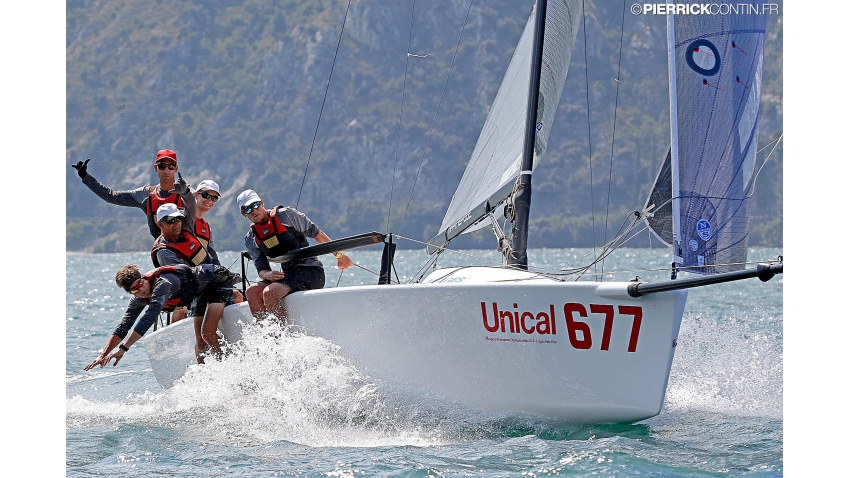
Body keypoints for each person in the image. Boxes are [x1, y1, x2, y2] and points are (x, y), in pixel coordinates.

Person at [83, 263, 239, 371]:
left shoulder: (163, 283)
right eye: (134, 290)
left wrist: (123, 348)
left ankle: (227, 370)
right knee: (200, 344)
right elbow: (125, 324)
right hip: (199, 294)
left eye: (140, 284)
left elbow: (149, 317)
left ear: (144, 277)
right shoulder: (138, 298)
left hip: (216, 281)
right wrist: (103, 354)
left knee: (207, 333)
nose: (141, 291)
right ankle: (207, 380)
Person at [237, 189, 353, 320]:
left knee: (270, 293)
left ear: (262, 203)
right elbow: (261, 269)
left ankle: (284, 336)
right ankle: (267, 335)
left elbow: (317, 233)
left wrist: (340, 256)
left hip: (310, 272)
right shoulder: (250, 238)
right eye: (247, 209)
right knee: (251, 292)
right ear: (243, 213)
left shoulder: (285, 215)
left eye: (255, 205)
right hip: (287, 275)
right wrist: (268, 275)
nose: (253, 210)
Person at [71, 149, 196, 239]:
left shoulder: (187, 194)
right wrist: (85, 177)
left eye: (171, 166)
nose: (166, 170)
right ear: (155, 168)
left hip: (188, 250)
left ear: (176, 168)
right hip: (165, 253)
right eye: (162, 166)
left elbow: (205, 206)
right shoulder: (145, 195)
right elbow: (111, 196)